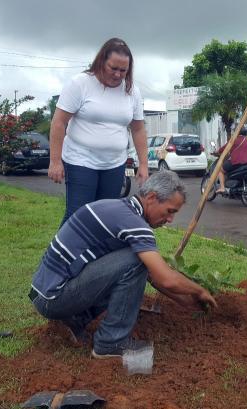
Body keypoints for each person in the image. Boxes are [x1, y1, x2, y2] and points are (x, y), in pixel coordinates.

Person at [29, 170, 217, 359]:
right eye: (170, 211)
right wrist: (199, 291)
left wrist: (186, 302)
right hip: (55, 298)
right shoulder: (133, 223)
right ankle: (111, 343)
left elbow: (153, 277)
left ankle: (75, 320)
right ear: (151, 198)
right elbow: (165, 278)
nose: (170, 220)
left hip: (45, 294)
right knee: (136, 261)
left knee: (136, 264)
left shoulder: (118, 208)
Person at [48, 38, 149, 226]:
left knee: (105, 216)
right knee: (78, 214)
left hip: (114, 163)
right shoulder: (80, 83)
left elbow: (138, 128)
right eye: (113, 68)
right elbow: (58, 123)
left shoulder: (132, 91)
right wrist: (55, 161)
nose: (118, 75)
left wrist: (143, 164)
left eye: (123, 70)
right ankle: (62, 255)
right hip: (80, 159)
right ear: (102, 61)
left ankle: (96, 256)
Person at [216, 126, 247, 193]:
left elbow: (225, 148)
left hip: (236, 162)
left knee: (220, 170)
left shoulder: (234, 140)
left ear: (237, 132)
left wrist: (218, 151)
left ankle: (222, 187)